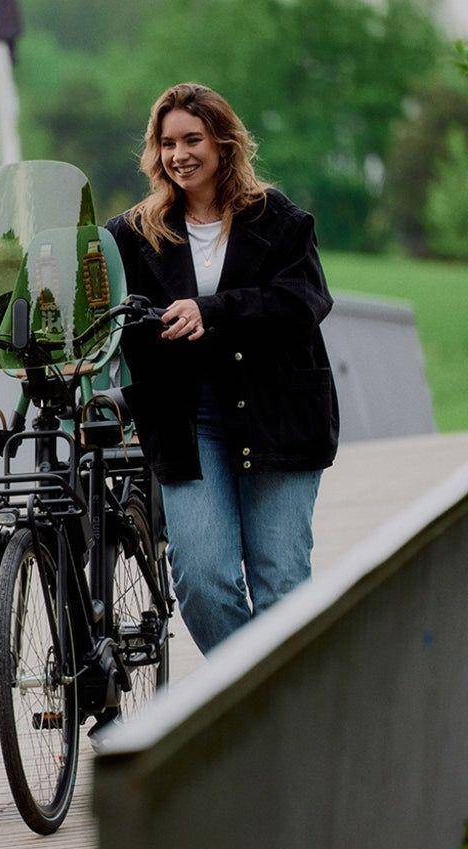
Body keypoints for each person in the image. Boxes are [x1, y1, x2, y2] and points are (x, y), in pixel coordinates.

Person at [104, 82, 339, 654]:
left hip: (277, 411)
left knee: (280, 582)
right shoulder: (133, 233)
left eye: (193, 139)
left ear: (224, 142)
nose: (179, 155)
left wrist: (213, 311)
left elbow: (304, 302)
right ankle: (252, 704)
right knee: (204, 581)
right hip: (187, 419)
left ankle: (274, 718)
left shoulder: (277, 218)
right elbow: (83, 294)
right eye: (167, 143)